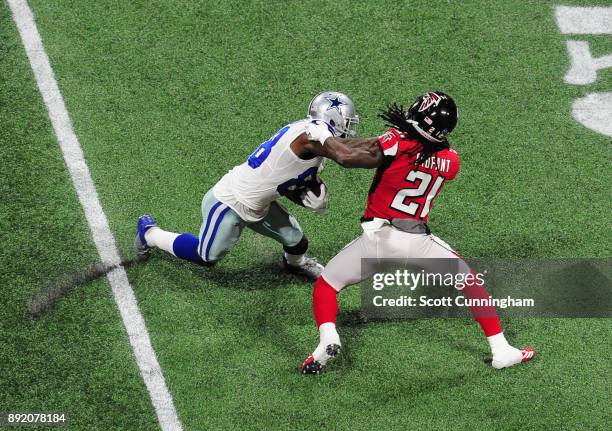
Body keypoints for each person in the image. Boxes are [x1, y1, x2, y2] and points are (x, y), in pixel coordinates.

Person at [300, 91, 536, 373]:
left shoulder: (397, 141)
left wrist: (324, 140)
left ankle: (328, 337)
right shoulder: (451, 161)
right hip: (416, 242)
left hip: (376, 239)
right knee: (470, 282)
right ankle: (501, 350)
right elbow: (421, 153)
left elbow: (353, 157)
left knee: (327, 286)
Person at [134, 91, 379, 279]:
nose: (349, 129)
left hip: (260, 205)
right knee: (206, 257)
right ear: (331, 119)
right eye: (346, 122)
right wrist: (387, 151)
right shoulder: (311, 133)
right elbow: (346, 156)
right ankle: (149, 234)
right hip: (230, 202)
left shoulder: (314, 142)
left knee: (297, 241)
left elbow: (285, 183)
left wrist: (306, 193)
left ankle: (293, 264)